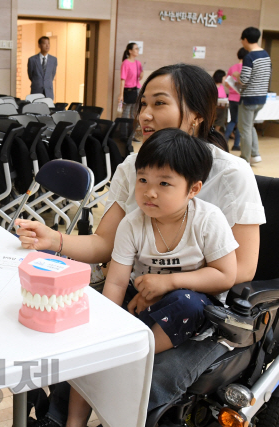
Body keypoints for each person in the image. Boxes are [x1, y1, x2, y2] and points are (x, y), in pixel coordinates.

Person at [18, 64, 264, 427]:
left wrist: (168, 283)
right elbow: (106, 243)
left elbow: (242, 269)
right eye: (143, 103)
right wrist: (55, 239)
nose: (144, 115)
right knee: (78, 357)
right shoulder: (135, 165)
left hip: (202, 308)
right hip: (136, 292)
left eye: (159, 103)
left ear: (196, 116)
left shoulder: (231, 175)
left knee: (141, 379)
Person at [66, 128, 239, 425]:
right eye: (143, 180)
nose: (150, 192)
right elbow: (117, 282)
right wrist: (106, 328)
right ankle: (72, 421)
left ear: (193, 189)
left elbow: (226, 275)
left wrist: (169, 282)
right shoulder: (133, 224)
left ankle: (133, 353)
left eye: (164, 183)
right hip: (143, 302)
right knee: (87, 345)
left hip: (192, 309)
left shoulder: (208, 220)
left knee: (186, 302)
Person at [235, 27, 271, 164]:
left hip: (249, 98)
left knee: (244, 129)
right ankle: (255, 155)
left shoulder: (249, 57)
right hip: (261, 98)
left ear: (245, 39)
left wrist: (237, 76)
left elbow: (244, 79)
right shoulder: (266, 55)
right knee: (250, 126)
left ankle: (245, 159)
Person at [224, 48, 248, 151]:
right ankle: (236, 144)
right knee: (240, 122)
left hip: (232, 97)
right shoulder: (246, 68)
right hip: (241, 98)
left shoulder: (232, 67)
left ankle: (224, 141)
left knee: (233, 120)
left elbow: (226, 84)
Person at [118, 42, 144, 119]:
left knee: (134, 113)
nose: (137, 50)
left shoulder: (138, 63)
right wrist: (121, 95)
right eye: (136, 48)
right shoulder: (125, 63)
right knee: (125, 113)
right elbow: (123, 80)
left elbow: (139, 78)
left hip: (136, 90)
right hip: (128, 91)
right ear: (130, 51)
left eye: (138, 48)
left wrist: (142, 73)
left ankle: (132, 131)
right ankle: (123, 130)